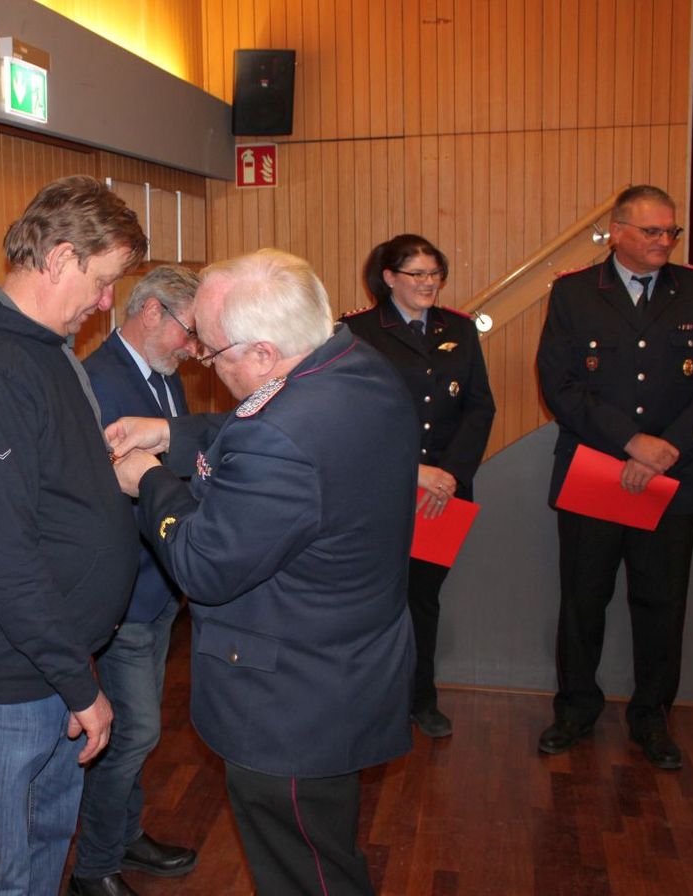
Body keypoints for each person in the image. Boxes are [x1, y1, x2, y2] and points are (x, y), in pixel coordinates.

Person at [109, 248, 416, 896]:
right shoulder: (357, 365)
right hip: (345, 669)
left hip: (290, 704)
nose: (204, 360)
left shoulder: (282, 437)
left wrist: (150, 480)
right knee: (323, 856)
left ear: (264, 353)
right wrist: (170, 433)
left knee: (307, 876)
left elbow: (203, 565)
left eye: (212, 350)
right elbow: (260, 421)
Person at [0, 175, 148, 895]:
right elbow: (0, 553)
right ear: (58, 258)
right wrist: (78, 683)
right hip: (12, 681)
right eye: (103, 281)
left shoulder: (43, 349)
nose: (106, 303)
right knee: (0, 877)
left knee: (45, 849)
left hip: (54, 665)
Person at [535, 184, 693, 770]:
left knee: (662, 606)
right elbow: (560, 384)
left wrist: (666, 450)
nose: (664, 241)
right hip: (596, 473)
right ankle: (576, 710)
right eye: (652, 231)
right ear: (617, 231)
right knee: (583, 602)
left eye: (671, 231)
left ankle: (652, 717)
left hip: (671, 478)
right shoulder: (574, 293)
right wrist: (631, 441)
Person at [70, 266, 202, 896]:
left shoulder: (162, 374)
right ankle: (94, 867)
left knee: (134, 732)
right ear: (151, 312)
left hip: (160, 588)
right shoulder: (99, 380)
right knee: (135, 733)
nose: (194, 348)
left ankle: (125, 835)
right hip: (125, 592)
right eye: (189, 331)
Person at [343, 234, 495, 738]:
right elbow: (351, 418)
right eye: (418, 274)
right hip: (381, 491)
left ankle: (420, 698)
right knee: (374, 600)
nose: (429, 283)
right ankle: (370, 702)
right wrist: (413, 472)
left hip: (442, 494)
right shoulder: (356, 332)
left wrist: (449, 475)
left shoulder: (460, 328)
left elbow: (479, 407)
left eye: (435, 274)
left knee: (424, 599)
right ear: (389, 278)